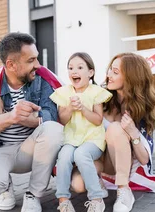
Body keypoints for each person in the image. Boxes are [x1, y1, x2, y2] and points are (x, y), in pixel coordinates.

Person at [0, 32, 63, 212]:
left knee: (53, 130)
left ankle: (33, 195)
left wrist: (28, 120)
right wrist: (9, 117)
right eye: (31, 60)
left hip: (31, 149)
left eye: (37, 58)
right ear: (11, 64)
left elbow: (51, 116)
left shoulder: (42, 78)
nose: (37, 65)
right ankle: (4, 185)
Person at [68, 53, 155, 212]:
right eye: (110, 70)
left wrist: (133, 132)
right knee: (77, 185)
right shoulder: (99, 96)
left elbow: (144, 159)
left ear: (131, 78)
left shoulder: (141, 109)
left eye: (115, 72)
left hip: (119, 162)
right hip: (96, 157)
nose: (108, 75)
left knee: (116, 128)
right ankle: (97, 181)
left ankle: (124, 190)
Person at [51, 52, 112, 212]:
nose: (74, 71)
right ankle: (63, 200)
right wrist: (71, 107)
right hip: (71, 139)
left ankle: (96, 198)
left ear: (90, 73)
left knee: (81, 154)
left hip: (93, 140)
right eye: (70, 68)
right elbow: (63, 120)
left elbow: (98, 120)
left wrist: (83, 108)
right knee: (63, 156)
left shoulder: (95, 92)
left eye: (79, 67)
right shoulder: (64, 92)